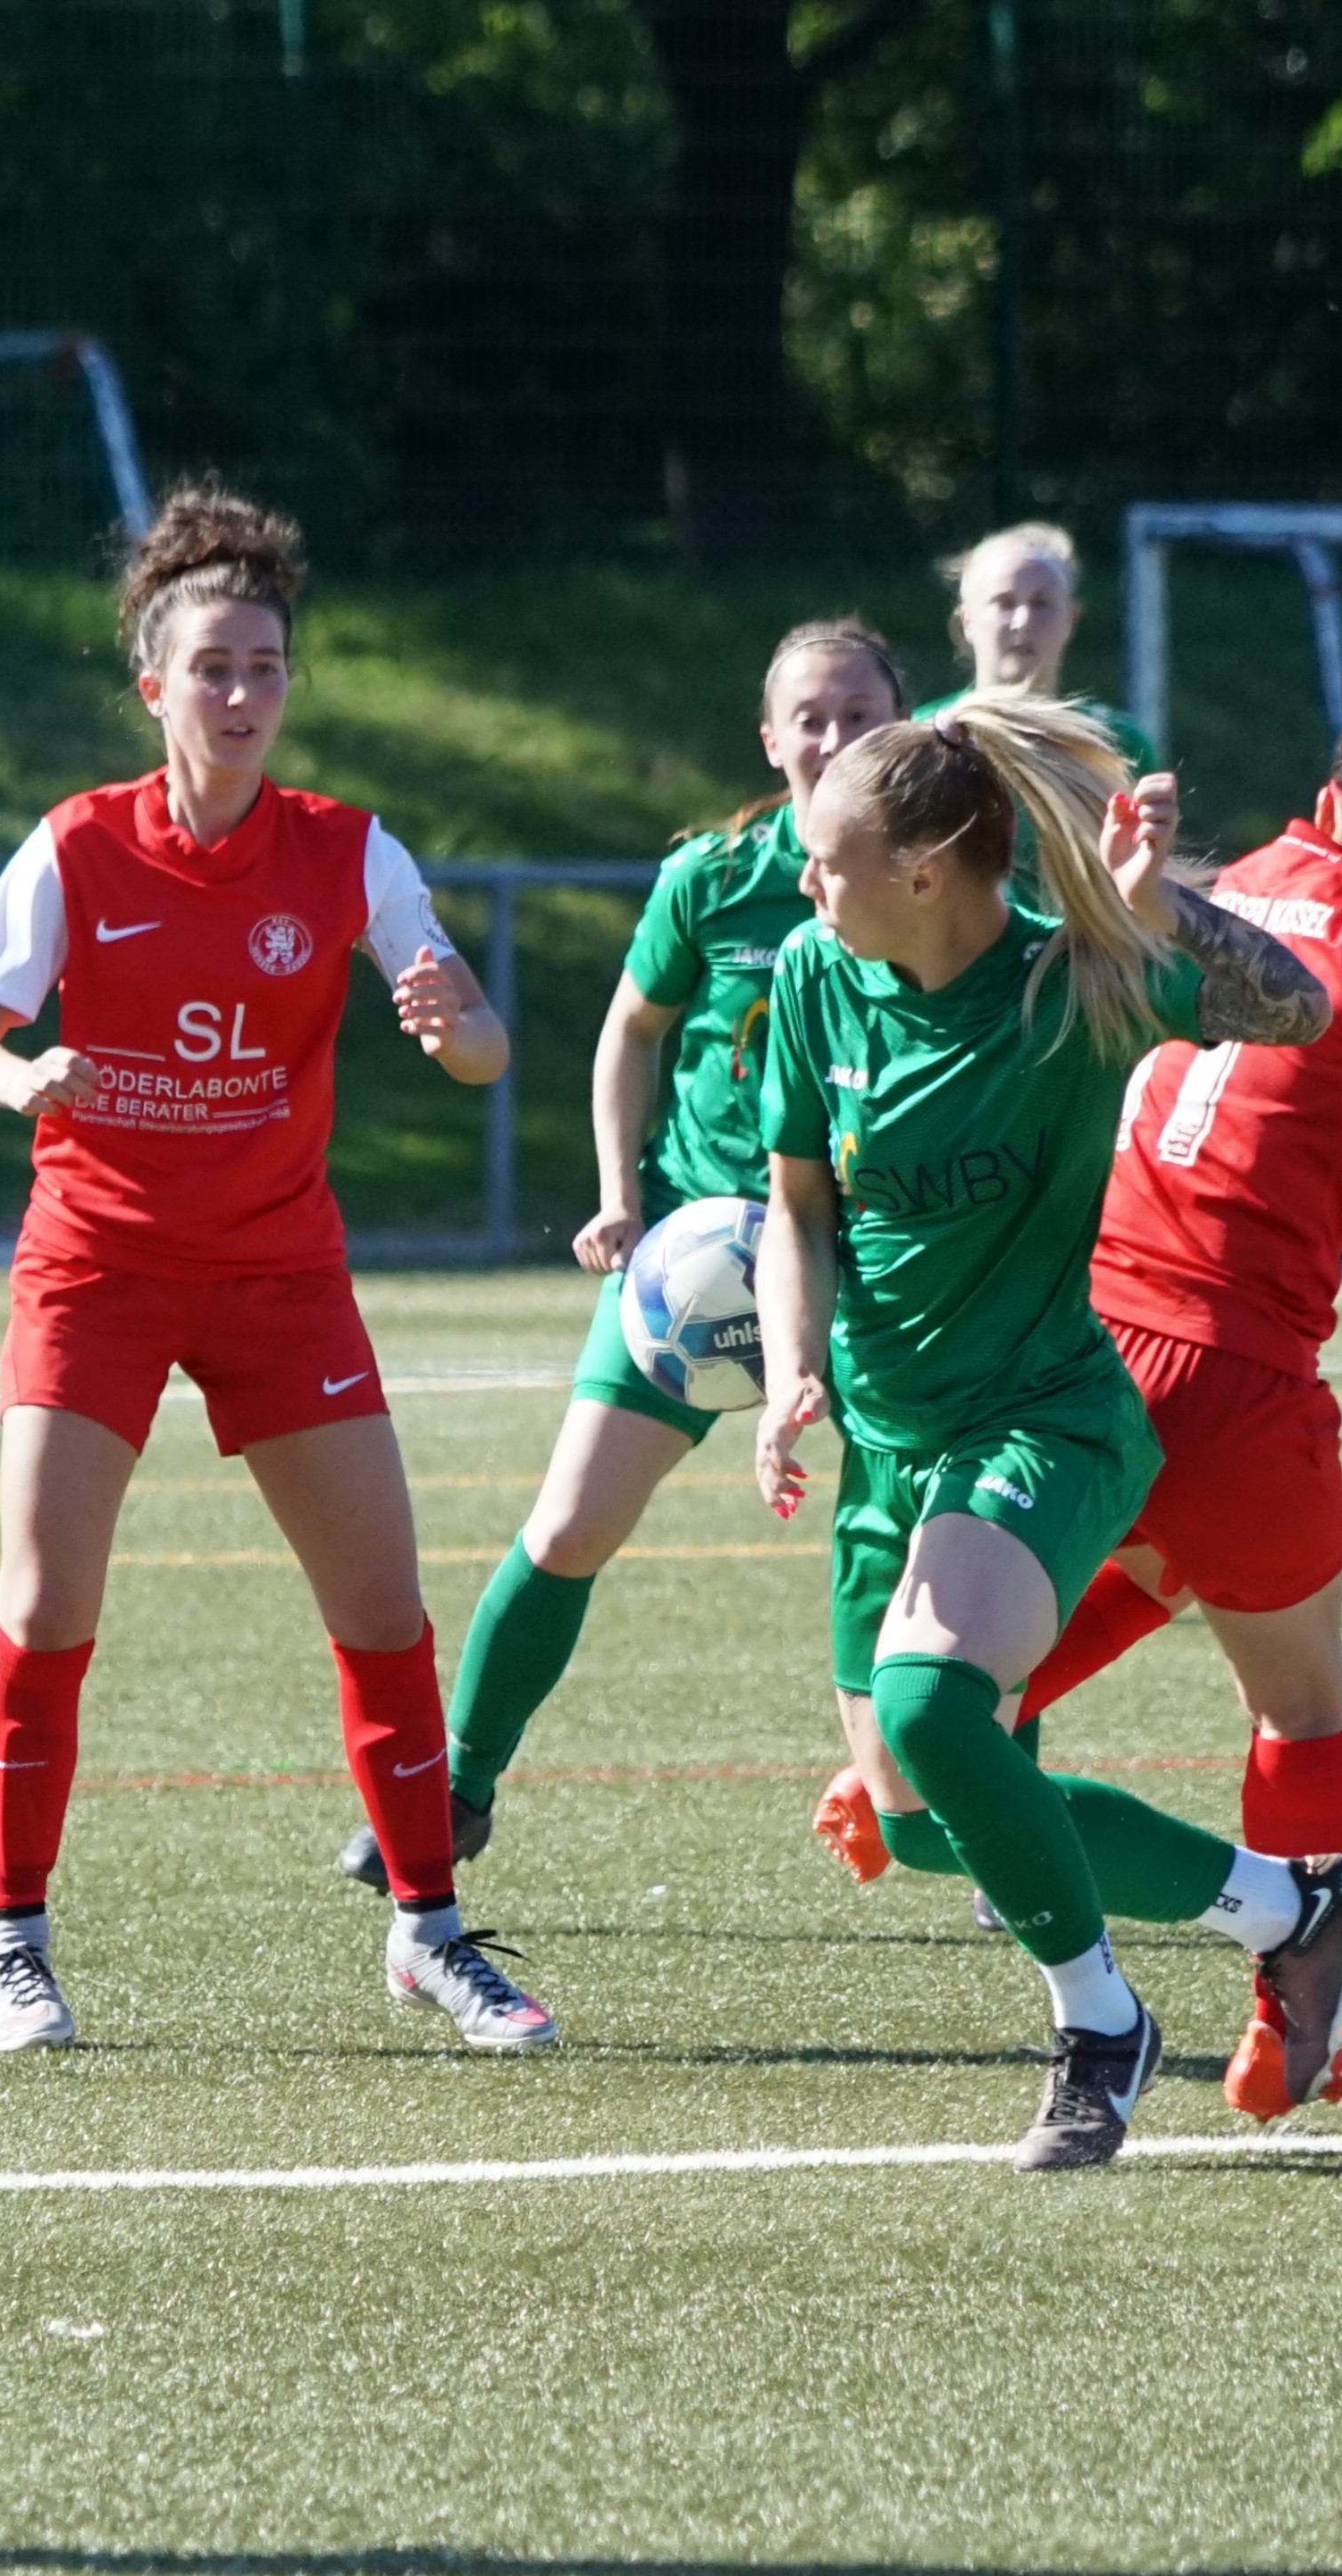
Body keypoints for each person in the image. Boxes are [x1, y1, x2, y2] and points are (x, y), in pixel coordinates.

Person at [825, 708, 1342, 2120]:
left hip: (1084, 1348)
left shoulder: (1240, 888)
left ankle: (910, 1767)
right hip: (1229, 1372)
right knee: (1296, 1704)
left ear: (1322, 804)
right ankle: (1294, 2019)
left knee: (1026, 1656)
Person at [0, 482, 541, 2056]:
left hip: (278, 1273)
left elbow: (476, 1043)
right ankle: (14, 1944)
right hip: (98, 1265)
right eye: (211, 668)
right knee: (45, 1600)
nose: (242, 695)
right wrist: (22, 1080)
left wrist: (451, 1029)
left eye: (264, 668)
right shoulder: (75, 845)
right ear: (154, 687)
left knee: (381, 1603)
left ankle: (427, 1933)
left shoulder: (345, 852)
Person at [751, 696, 1342, 2170]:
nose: (802, 886)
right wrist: (788, 1368)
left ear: (919, 869)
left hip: (1041, 1419)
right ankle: (1290, 1911)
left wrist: (1157, 907)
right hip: (883, 1448)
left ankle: (1099, 2026)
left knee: (927, 1711)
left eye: (825, 863)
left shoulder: (1070, 980)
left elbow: (1297, 1008)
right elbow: (791, 1206)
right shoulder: (809, 978)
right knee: (920, 1822)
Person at [331, 620, 905, 1894]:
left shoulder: (940, 884)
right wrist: (617, 1195)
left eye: (857, 711)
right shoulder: (710, 875)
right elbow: (627, 1033)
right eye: (807, 715)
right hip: (700, 1258)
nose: (831, 737)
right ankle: (455, 1789)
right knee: (567, 1522)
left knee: (933, 1539)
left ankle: (967, 1797)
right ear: (768, 737)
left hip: (874, 1261)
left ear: (901, 724)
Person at [918, 522, 1158, 777]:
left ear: (1070, 620)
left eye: (1041, 603)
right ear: (968, 620)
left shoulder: (1116, 743)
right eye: (1004, 603)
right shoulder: (924, 731)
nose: (1023, 621)